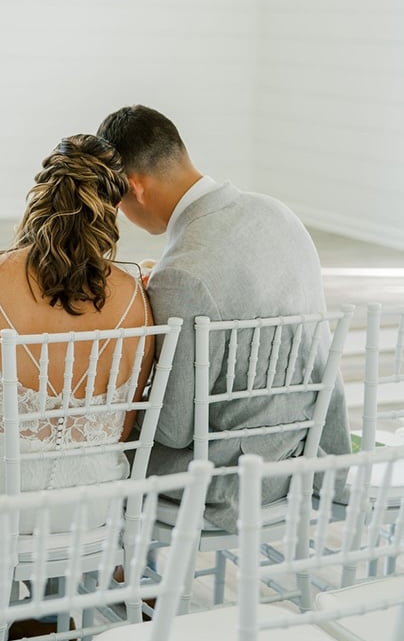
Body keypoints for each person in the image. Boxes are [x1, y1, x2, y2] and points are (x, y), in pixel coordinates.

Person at [97, 104, 350, 531]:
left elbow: (173, 429)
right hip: (304, 451)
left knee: (79, 458)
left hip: (229, 477)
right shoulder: (278, 214)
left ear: (135, 188)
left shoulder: (181, 273)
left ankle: (97, 582)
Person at [0, 133, 154, 533]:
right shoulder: (137, 298)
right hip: (91, 509)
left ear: (40, 195)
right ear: (111, 209)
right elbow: (125, 423)